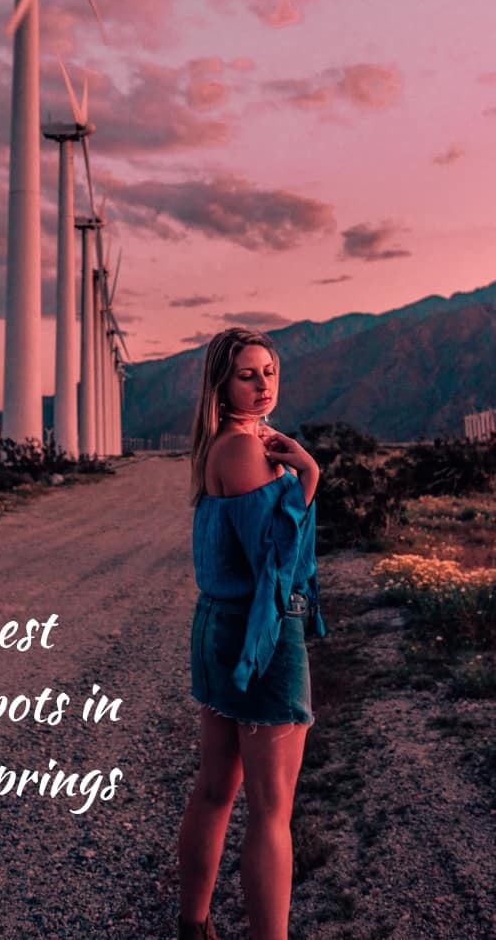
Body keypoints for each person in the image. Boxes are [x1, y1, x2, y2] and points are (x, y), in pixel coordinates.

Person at [177, 328, 326, 940]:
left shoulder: (231, 444)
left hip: (219, 624)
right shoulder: (242, 451)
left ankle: (194, 926)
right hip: (260, 633)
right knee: (270, 811)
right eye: (247, 374)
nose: (263, 384)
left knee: (216, 788)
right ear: (222, 383)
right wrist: (309, 477)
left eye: (269, 371)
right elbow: (278, 562)